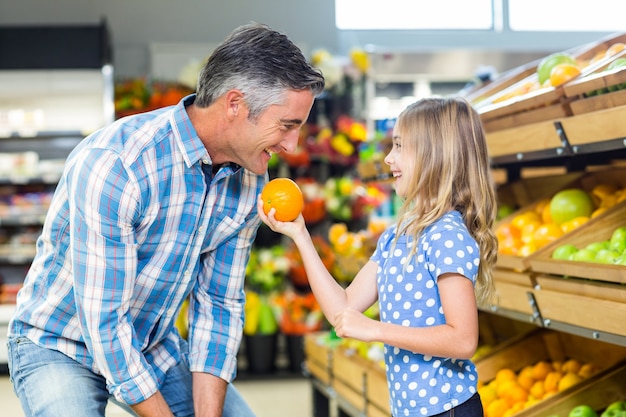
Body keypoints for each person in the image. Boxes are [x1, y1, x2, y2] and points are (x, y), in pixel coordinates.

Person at [7, 22, 324, 417]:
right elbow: (104, 323)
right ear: (234, 105)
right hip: (59, 343)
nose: (292, 146)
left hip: (151, 345)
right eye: (286, 126)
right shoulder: (118, 165)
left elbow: (219, 304)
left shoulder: (250, 179)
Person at [259, 97, 498, 417]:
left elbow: (463, 339)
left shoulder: (447, 235)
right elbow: (342, 311)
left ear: (435, 155)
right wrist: (301, 236)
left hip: (448, 410)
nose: (388, 158)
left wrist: (375, 329)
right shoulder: (397, 235)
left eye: (399, 146)